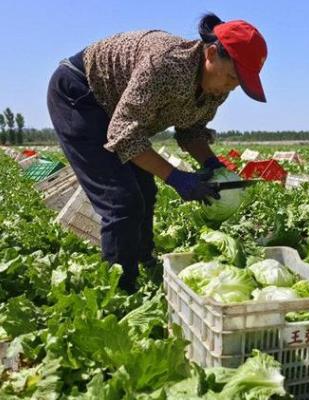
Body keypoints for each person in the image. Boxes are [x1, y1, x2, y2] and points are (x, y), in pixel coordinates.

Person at [47, 13, 268, 292]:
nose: (230, 88)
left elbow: (191, 131)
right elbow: (125, 134)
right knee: (122, 201)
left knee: (145, 191)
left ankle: (143, 260)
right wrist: (177, 178)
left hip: (118, 110)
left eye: (239, 84)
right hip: (80, 95)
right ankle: (119, 293)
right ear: (211, 53)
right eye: (232, 78)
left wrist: (212, 164)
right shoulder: (165, 64)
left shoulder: (216, 86)